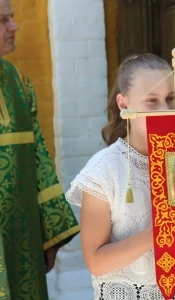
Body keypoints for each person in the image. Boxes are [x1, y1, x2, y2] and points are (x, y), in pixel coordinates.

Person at [66, 53, 175, 299]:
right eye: (152, 100)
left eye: (171, 98)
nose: (164, 109)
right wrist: (160, 230)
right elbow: (97, 262)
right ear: (124, 104)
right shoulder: (103, 170)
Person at [0, 0, 80, 298]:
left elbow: (40, 163)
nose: (14, 26)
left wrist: (50, 236)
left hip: (22, 237)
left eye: (13, 17)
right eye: (3, 20)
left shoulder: (18, 83)